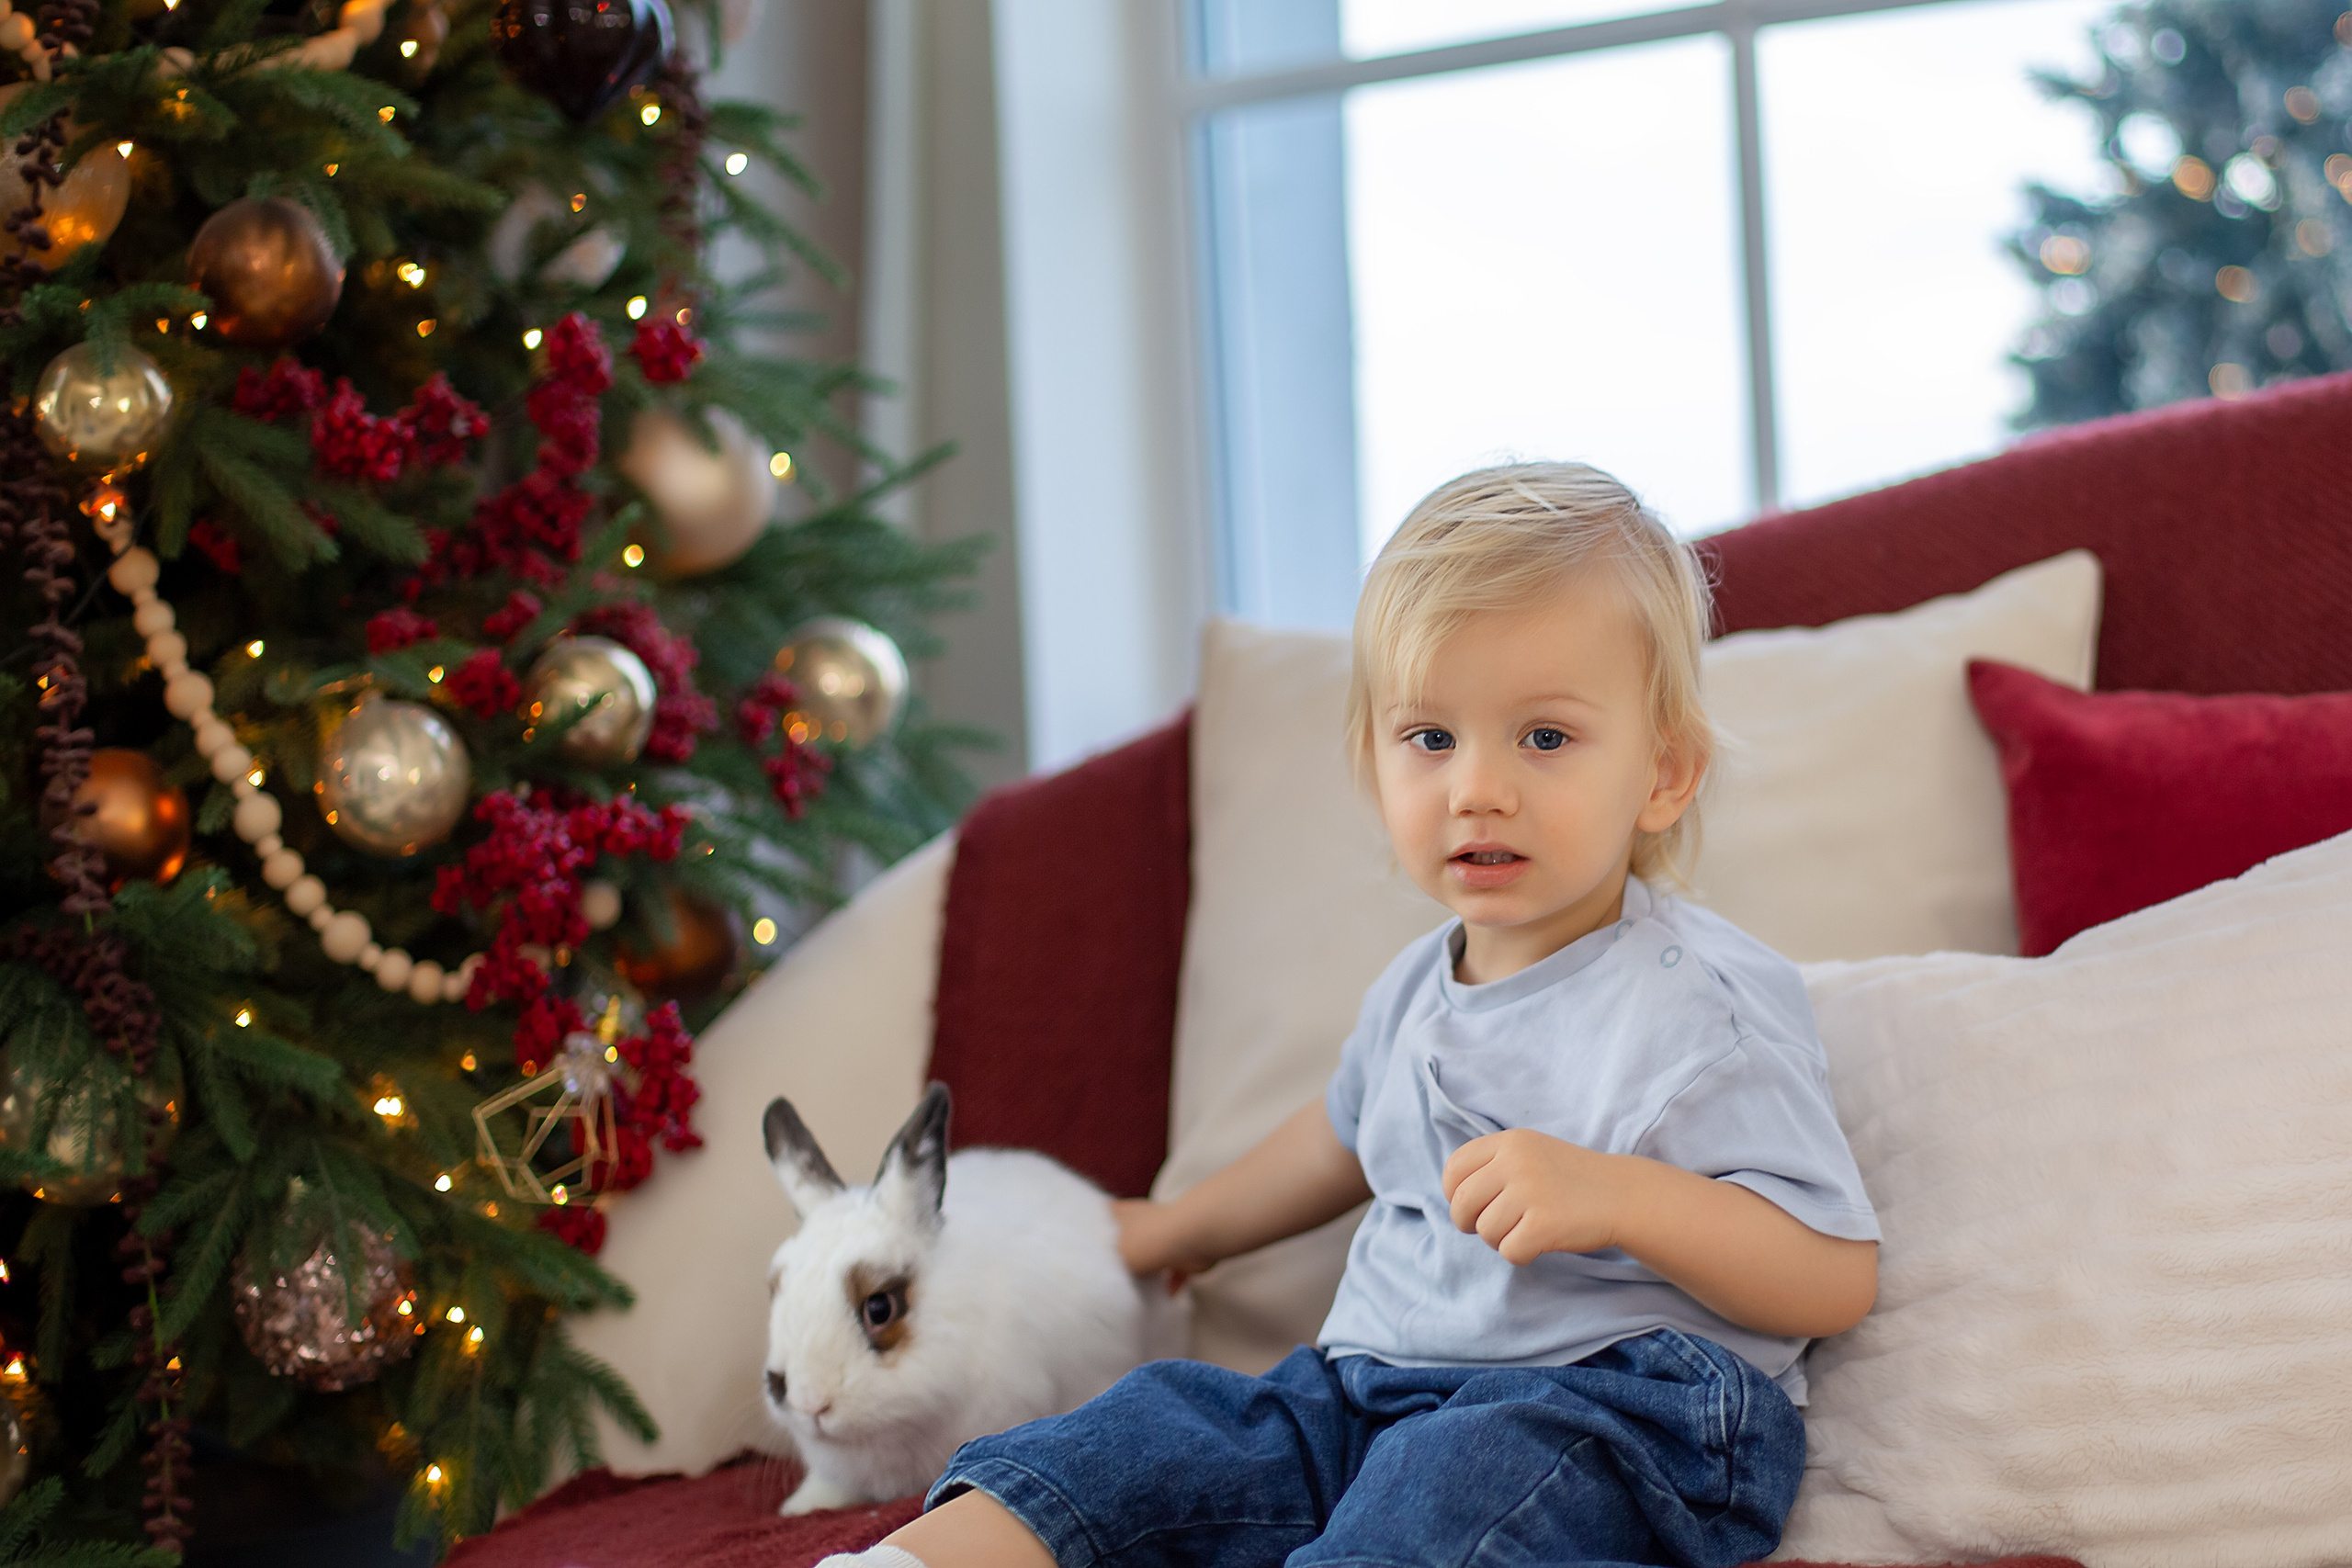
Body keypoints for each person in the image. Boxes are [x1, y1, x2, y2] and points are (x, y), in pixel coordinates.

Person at [825, 463, 1880, 1568]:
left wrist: (1621, 1198)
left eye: (1545, 739)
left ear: (1663, 774)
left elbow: (1830, 1274)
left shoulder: (1697, 1004)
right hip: (1370, 1389)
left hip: (1617, 1412)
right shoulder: (1416, 989)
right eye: (1431, 738)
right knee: (1165, 1426)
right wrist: (1174, 1229)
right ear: (1375, 767)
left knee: (1454, 1480)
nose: (1478, 787)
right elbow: (1337, 1140)